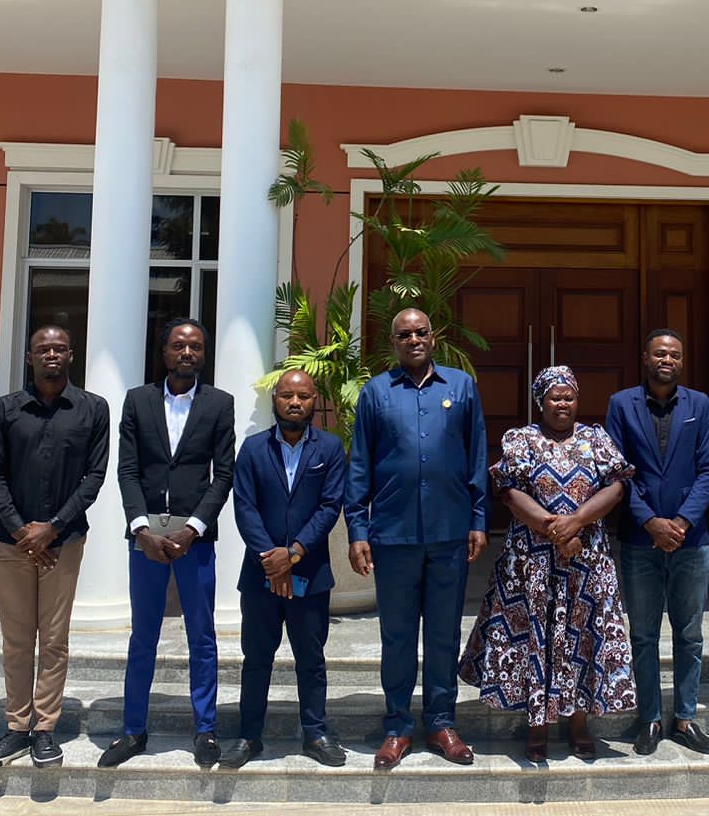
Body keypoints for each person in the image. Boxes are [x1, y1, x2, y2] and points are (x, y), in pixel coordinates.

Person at [460, 366, 636, 761]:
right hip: (532, 561)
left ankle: (579, 723)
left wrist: (578, 522)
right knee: (534, 638)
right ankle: (536, 724)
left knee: (581, 637)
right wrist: (555, 530)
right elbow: (508, 491)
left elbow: (617, 486)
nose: (562, 404)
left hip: (585, 560)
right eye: (555, 397)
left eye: (569, 397)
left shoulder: (596, 439)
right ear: (541, 402)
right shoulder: (521, 439)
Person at [346, 307, 488, 771]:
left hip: (449, 532)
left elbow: (476, 456)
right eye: (404, 334)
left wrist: (479, 519)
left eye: (420, 332)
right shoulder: (376, 392)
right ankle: (397, 726)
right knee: (398, 635)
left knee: (444, 635)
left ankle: (442, 723)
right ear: (393, 342)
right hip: (393, 534)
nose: (413, 340)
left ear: (433, 337)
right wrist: (357, 528)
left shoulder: (460, 387)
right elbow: (360, 463)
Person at [99, 318, 235, 769]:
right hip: (147, 539)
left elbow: (224, 474)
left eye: (195, 346)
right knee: (143, 635)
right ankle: (133, 730)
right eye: (179, 345)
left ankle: (206, 730)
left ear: (204, 354)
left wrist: (193, 528)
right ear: (164, 352)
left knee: (202, 635)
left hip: (194, 539)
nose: (187, 353)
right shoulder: (137, 401)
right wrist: (141, 529)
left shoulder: (220, 404)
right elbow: (128, 469)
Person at [0, 324, 108, 769]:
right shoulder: (5, 410)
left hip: (63, 543)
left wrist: (52, 528)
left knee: (54, 640)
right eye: (43, 349)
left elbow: (94, 477)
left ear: (71, 355)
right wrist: (22, 531)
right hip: (10, 544)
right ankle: (16, 727)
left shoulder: (93, 409)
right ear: (29, 357)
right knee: (16, 641)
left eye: (59, 348)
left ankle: (45, 728)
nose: (51, 354)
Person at [223, 369, 348, 769]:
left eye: (304, 396)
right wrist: (271, 559)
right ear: (274, 399)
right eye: (287, 395)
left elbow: (330, 506)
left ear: (315, 401)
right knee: (257, 658)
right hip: (260, 575)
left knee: (311, 658)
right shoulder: (252, 449)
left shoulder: (330, 448)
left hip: (310, 574)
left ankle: (315, 733)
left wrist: (292, 554)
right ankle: (249, 735)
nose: (295, 402)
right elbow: (245, 506)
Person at [605, 328, 709, 756]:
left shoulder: (699, 404)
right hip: (640, 539)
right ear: (645, 358)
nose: (666, 360)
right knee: (643, 634)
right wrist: (652, 522)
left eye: (674, 354)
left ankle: (685, 718)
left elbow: (708, 469)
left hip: (691, 541)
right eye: (659, 353)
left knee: (689, 634)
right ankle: (650, 718)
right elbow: (616, 470)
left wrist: (682, 522)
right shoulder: (622, 404)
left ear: (681, 361)